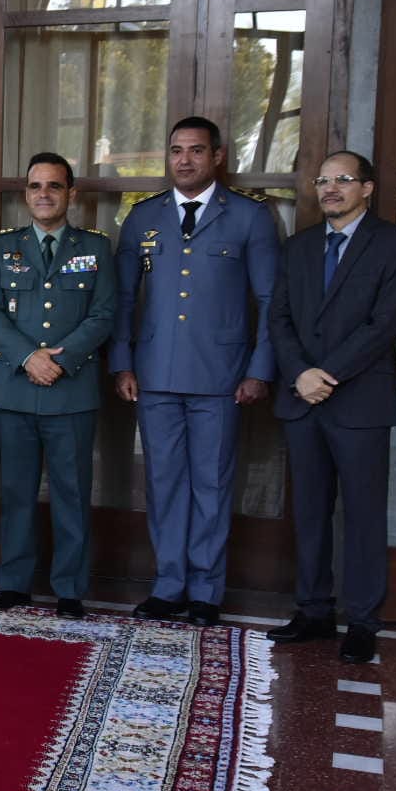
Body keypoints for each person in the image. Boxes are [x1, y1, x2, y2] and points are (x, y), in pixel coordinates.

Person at [109, 116, 279, 626]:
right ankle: (169, 585)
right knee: (163, 483)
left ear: (217, 156)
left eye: (196, 151)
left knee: (211, 483)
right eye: (176, 150)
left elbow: (270, 301)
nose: (184, 160)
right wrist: (121, 362)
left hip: (222, 377)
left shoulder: (249, 218)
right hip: (155, 373)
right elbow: (122, 299)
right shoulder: (143, 218)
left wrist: (259, 370)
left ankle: (205, 590)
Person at [266, 152, 396, 664]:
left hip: (359, 400)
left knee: (363, 515)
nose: (330, 188)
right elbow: (279, 317)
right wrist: (298, 374)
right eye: (324, 180)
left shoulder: (395, 245)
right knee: (309, 512)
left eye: (343, 180)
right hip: (302, 399)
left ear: (367, 188)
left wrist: (324, 375)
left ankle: (362, 621)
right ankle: (312, 609)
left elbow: (384, 324)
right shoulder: (299, 247)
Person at [0, 153, 117, 618]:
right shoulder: (3, 246)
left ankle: (70, 588)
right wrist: (28, 357)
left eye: (53, 186)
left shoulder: (95, 247)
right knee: (16, 491)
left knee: (72, 493)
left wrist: (63, 359)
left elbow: (103, 314)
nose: (43, 194)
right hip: (16, 387)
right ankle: (14, 582)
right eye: (36, 186)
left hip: (70, 389)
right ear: (26, 194)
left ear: (70, 193)